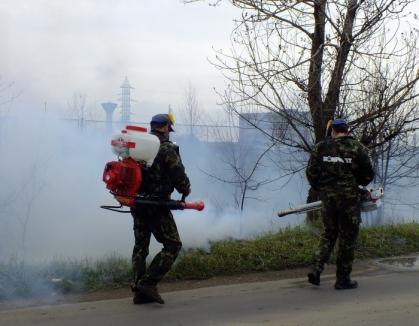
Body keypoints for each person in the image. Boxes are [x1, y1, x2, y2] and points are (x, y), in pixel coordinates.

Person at [306, 118, 374, 290]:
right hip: (349, 199)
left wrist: (321, 187)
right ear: (347, 130)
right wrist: (355, 184)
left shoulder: (321, 147)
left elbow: (311, 172)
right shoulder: (358, 148)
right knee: (347, 237)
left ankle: (316, 268)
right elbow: (368, 174)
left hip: (328, 197)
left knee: (329, 232)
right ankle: (342, 279)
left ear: (333, 131)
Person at [131, 113, 191, 304]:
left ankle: (139, 291)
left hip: (137, 203)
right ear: (165, 128)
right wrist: (185, 189)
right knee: (173, 245)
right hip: (156, 206)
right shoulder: (166, 149)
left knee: (141, 246)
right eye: (168, 129)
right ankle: (148, 284)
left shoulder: (139, 145)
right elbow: (179, 177)